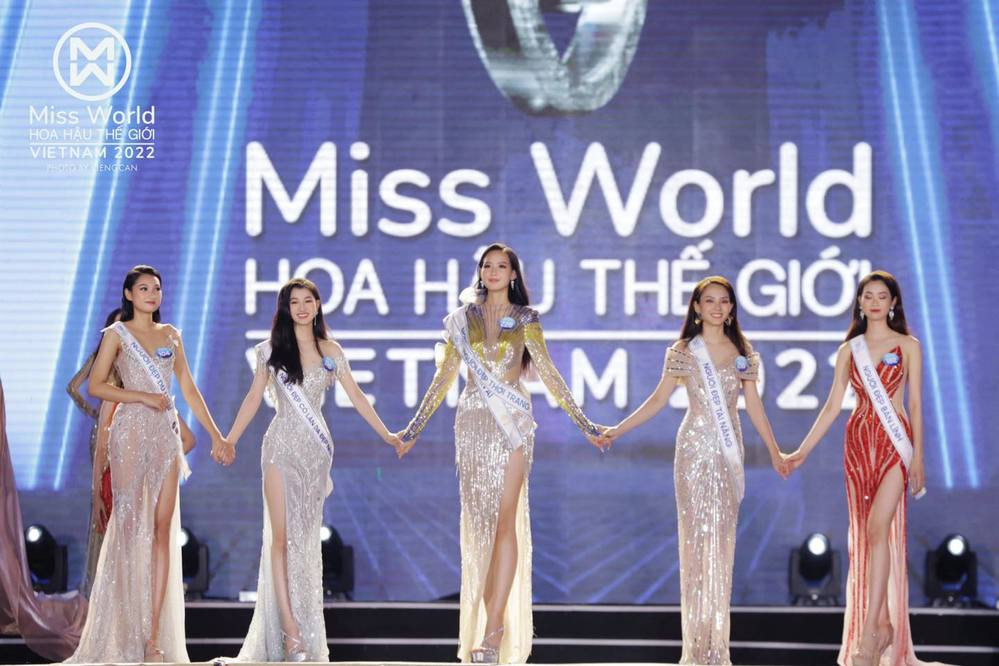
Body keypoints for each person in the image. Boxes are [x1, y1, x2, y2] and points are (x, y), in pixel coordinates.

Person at [396, 243, 605, 664]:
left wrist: (585, 424)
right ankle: (485, 623)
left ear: (513, 274)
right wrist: (413, 430)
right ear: (480, 272)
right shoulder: (462, 320)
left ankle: (494, 630)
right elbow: (443, 378)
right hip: (472, 424)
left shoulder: (526, 318)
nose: (492, 271)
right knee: (481, 528)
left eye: (501, 265)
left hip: (513, 424)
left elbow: (549, 371)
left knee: (505, 521)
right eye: (486, 265)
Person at [602, 275, 789, 665]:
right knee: (695, 545)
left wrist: (775, 451)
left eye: (724, 301)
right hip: (693, 450)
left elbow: (754, 406)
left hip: (728, 451)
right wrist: (618, 429)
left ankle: (716, 648)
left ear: (732, 308)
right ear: (697, 308)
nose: (717, 307)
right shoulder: (684, 350)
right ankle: (696, 648)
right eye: (710, 301)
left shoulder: (744, 351)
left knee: (721, 545)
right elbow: (658, 400)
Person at [222, 277, 402, 662]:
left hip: (315, 454)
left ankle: (304, 627)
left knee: (304, 543)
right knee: (280, 539)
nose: (302, 307)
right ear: (285, 309)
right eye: (294, 302)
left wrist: (387, 435)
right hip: (279, 447)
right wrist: (230, 439)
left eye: (308, 300)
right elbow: (253, 398)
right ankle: (290, 633)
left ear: (318, 305)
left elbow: (356, 396)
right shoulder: (270, 351)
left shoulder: (330, 350)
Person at [66, 265, 229, 663]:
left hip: (164, 436)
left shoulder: (171, 334)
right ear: (128, 294)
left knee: (161, 531)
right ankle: (124, 629)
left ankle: (153, 636)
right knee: (128, 529)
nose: (152, 294)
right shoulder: (116, 334)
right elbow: (96, 386)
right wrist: (140, 396)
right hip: (129, 433)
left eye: (157, 288)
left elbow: (188, 387)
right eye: (143, 288)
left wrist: (217, 435)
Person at [786, 271, 928, 666]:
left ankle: (872, 631)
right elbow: (833, 406)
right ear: (860, 303)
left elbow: (915, 404)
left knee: (879, 528)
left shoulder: (908, 346)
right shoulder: (850, 350)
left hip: (894, 444)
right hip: (858, 446)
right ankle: (880, 622)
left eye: (883, 296)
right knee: (867, 537)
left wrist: (919, 456)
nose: (876, 302)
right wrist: (801, 451)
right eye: (869, 296)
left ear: (893, 303)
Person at [66, 308, 196, 599]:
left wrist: (159, 464)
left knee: (142, 547)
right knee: (114, 548)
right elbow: (100, 442)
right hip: (113, 479)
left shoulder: (152, 398)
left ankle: (140, 610)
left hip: (138, 480)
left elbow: (188, 439)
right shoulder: (113, 395)